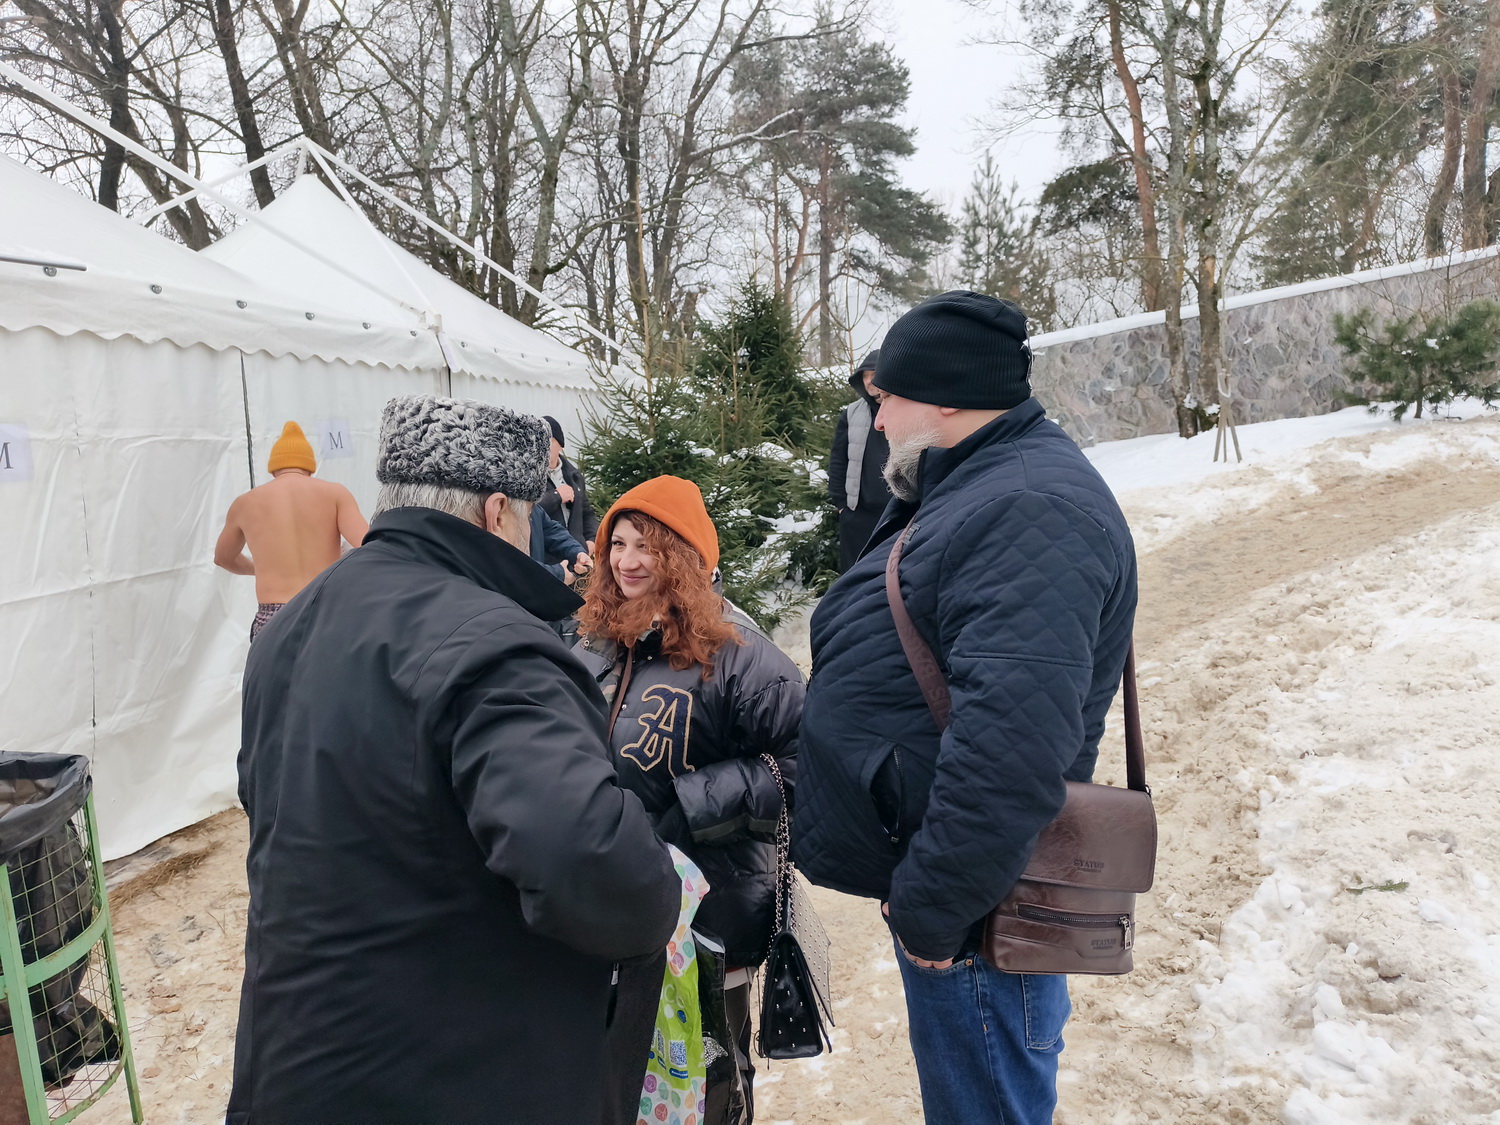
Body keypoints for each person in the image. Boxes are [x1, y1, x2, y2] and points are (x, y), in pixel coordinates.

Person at [228, 395, 679, 1125]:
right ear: (497, 512)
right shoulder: (496, 646)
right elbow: (595, 869)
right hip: (449, 1070)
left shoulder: (295, 622)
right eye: (529, 517)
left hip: (294, 1061)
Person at [792, 292, 1138, 1124]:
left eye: (887, 399)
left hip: (979, 914)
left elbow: (1012, 754)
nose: (877, 420)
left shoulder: (1028, 505)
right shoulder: (980, 482)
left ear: (945, 395)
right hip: (962, 892)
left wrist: (932, 912)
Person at [573, 476, 803, 1125]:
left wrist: (694, 803)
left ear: (683, 555)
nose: (627, 561)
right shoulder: (595, 640)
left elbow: (804, 765)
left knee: (710, 1078)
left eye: (647, 545)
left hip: (710, 913)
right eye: (617, 543)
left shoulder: (741, 655)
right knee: (619, 1072)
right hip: (612, 902)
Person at [214, 420, 368, 639]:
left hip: (273, 619)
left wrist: (259, 568)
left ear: (274, 468)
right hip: (324, 609)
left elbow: (223, 558)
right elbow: (369, 545)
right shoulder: (335, 493)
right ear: (309, 467)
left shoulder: (245, 503)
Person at [826, 350, 891, 572]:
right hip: (858, 513)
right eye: (865, 375)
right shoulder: (852, 413)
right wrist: (841, 504)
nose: (870, 380)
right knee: (855, 571)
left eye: (875, 374)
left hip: (898, 511)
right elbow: (838, 459)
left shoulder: (905, 409)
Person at [539, 415, 600, 547]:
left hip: (576, 554)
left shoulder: (574, 476)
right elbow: (529, 509)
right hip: (547, 554)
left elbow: (586, 513)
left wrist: (592, 540)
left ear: (561, 445)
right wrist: (556, 496)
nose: (543, 447)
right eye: (539, 441)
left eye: (549, 441)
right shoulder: (530, 477)